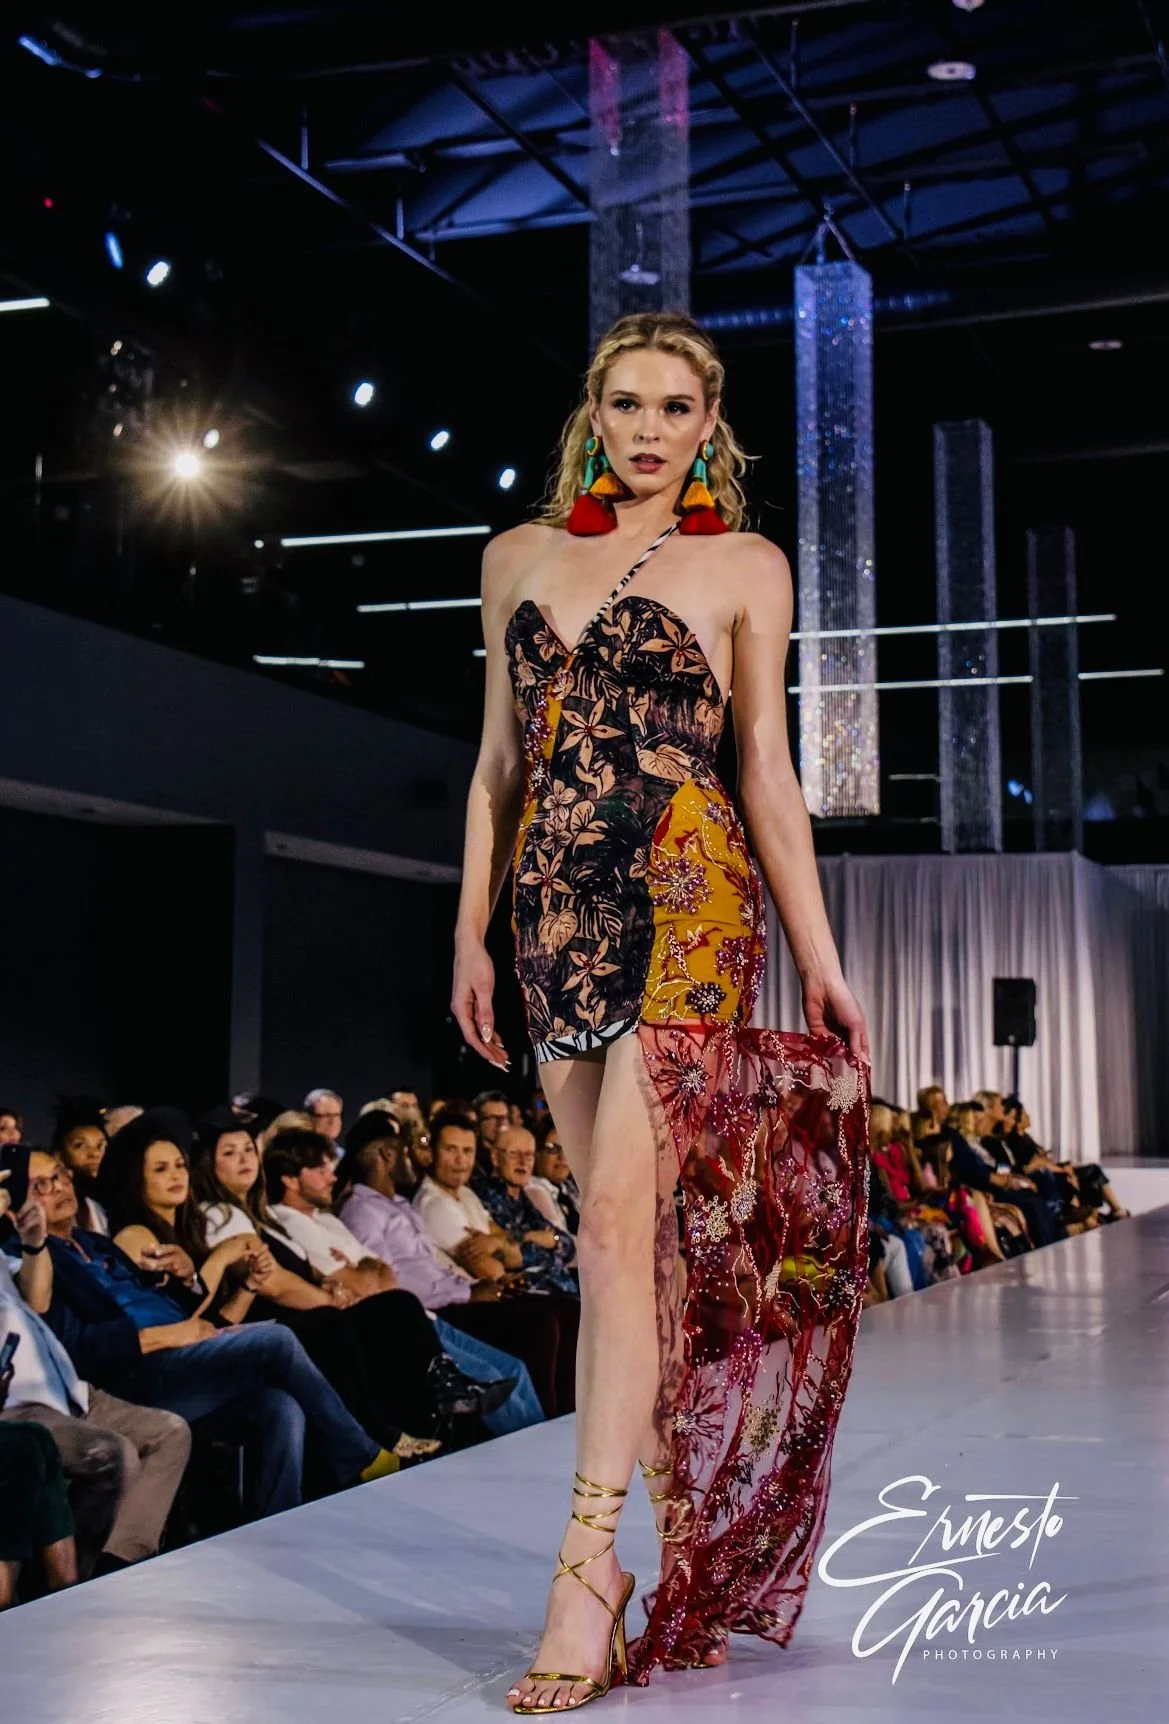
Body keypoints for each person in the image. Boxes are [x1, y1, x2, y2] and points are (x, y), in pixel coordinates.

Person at [451, 310, 871, 1708]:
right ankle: (654, 1540)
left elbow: (764, 771)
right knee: (619, 1246)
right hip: (551, 915)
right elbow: (498, 768)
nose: (645, 429)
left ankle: (581, 1579)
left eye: (673, 408)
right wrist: (469, 931)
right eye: (625, 403)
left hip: (690, 901)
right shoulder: (515, 556)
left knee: (625, 1222)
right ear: (592, 411)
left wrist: (820, 958)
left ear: (708, 427)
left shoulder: (745, 564)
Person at [28, 1149, 402, 1521]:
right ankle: (361, 1456)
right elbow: (79, 1347)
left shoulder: (98, 1244)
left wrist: (190, 1277)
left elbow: (185, 1312)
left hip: (185, 1355)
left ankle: (278, 1525)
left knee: (278, 1405)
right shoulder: (39, 1263)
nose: (59, 1187)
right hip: (135, 1373)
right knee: (280, 1340)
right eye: (41, 1185)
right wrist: (169, 1333)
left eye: (60, 1175)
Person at [263, 1126, 538, 1437]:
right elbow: (368, 1286)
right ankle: (525, 1472)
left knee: (515, 1369)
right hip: (393, 1325)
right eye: (321, 1169)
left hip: (420, 1315)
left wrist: (365, 1266)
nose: (333, 1177)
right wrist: (368, 1268)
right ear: (290, 1179)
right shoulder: (291, 1222)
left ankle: (546, 1460)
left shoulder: (327, 1219)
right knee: (489, 1375)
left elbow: (386, 1274)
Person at [1, 1161, 190, 1576]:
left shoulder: (6, 1250)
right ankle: (82, 1582)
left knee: (170, 1432)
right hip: (17, 1405)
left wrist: (34, 1243)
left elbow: (37, 1302)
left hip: (68, 1390)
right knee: (113, 1453)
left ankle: (117, 1564)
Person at [472, 1126, 578, 1297]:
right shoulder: (486, 1195)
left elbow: (568, 1246)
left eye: (528, 1155)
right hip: (527, 1293)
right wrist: (536, 1238)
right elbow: (513, 1254)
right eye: (514, 1154)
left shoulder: (523, 1198)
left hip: (558, 1289)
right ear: (495, 1157)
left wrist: (551, 1239)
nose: (522, 1162)